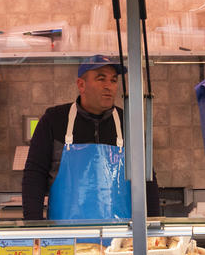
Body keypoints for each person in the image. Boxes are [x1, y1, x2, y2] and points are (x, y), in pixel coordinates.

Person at [22, 55, 158, 221]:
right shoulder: (54, 120)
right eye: (101, 79)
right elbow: (34, 175)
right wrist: (33, 227)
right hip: (64, 239)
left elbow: (147, 181)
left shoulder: (128, 122)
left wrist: (153, 228)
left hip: (121, 241)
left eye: (113, 80)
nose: (109, 86)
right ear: (81, 85)